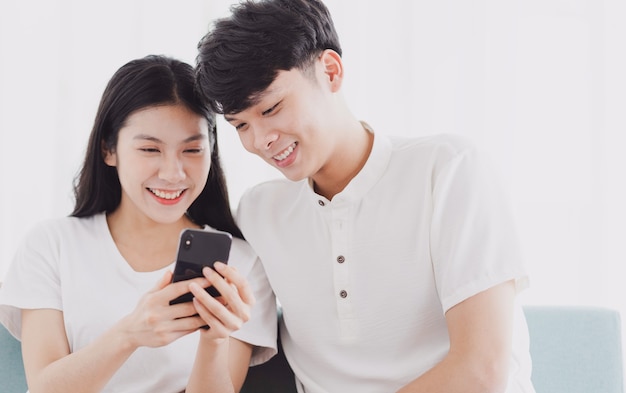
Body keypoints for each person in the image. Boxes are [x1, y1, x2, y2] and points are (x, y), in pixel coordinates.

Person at [195, 1, 536, 392]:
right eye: (240, 125)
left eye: (271, 108)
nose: (260, 140)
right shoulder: (259, 212)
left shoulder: (448, 170)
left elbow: (481, 372)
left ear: (330, 71)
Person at [0, 55, 277, 393]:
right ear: (108, 149)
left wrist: (215, 340)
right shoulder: (52, 245)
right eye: (150, 149)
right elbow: (44, 388)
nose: (173, 173)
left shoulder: (241, 264)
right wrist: (130, 334)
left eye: (192, 150)